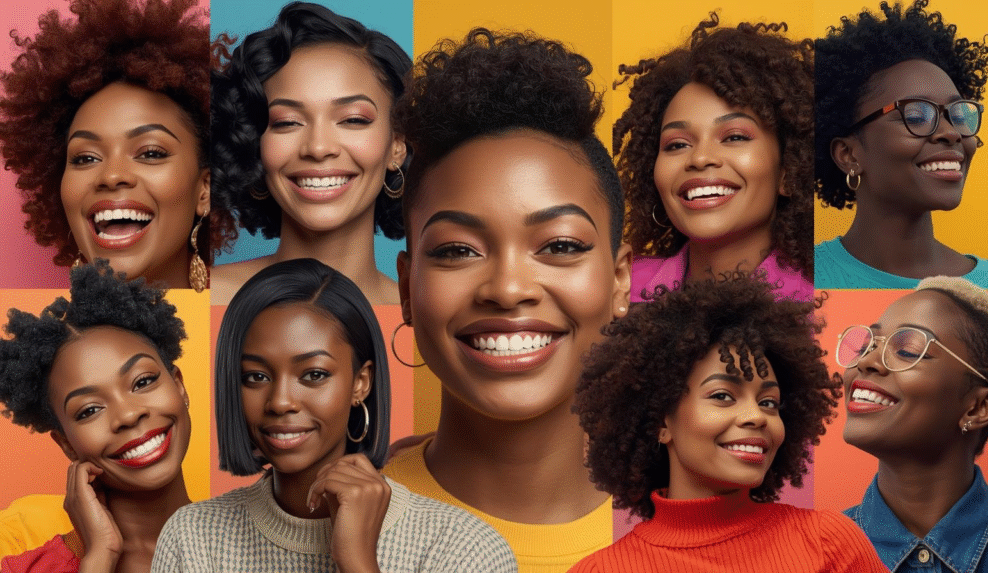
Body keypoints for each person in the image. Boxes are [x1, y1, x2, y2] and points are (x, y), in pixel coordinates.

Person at [384, 28, 632, 572]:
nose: (508, 287)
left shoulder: (699, 530)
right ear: (407, 289)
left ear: (619, 282)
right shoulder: (333, 524)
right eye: (456, 250)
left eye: (561, 246)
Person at [151, 259, 515, 572]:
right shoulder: (193, 538)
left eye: (313, 375)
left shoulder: (464, 549)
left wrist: (357, 561)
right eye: (256, 377)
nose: (280, 402)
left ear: (361, 383)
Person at [569, 278, 886, 572]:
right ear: (661, 422)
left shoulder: (828, 544)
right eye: (722, 395)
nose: (757, 416)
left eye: (769, 403)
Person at [0, 0, 223, 291]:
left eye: (151, 153)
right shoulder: (26, 332)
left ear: (204, 189)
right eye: (85, 158)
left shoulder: (240, 323)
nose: (111, 175)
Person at [210, 2, 410, 305]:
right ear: (255, 145)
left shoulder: (422, 323)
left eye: (353, 120)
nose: (318, 148)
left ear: (396, 145)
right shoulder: (205, 301)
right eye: (287, 122)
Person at [814, 0, 988, 288]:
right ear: (848, 154)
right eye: (917, 114)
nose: (951, 133)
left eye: (959, 114)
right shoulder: (800, 283)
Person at [0, 260, 193, 572]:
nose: (128, 415)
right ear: (66, 444)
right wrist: (100, 556)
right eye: (90, 410)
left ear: (179, 386)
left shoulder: (259, 545)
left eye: (143, 382)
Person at [614, 14, 813, 302]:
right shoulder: (616, 291)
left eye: (734, 137)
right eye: (677, 144)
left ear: (788, 171)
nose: (700, 158)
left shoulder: (822, 303)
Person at [836, 276, 988, 571]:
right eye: (866, 346)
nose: (867, 360)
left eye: (908, 351)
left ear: (978, 407)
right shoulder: (813, 553)